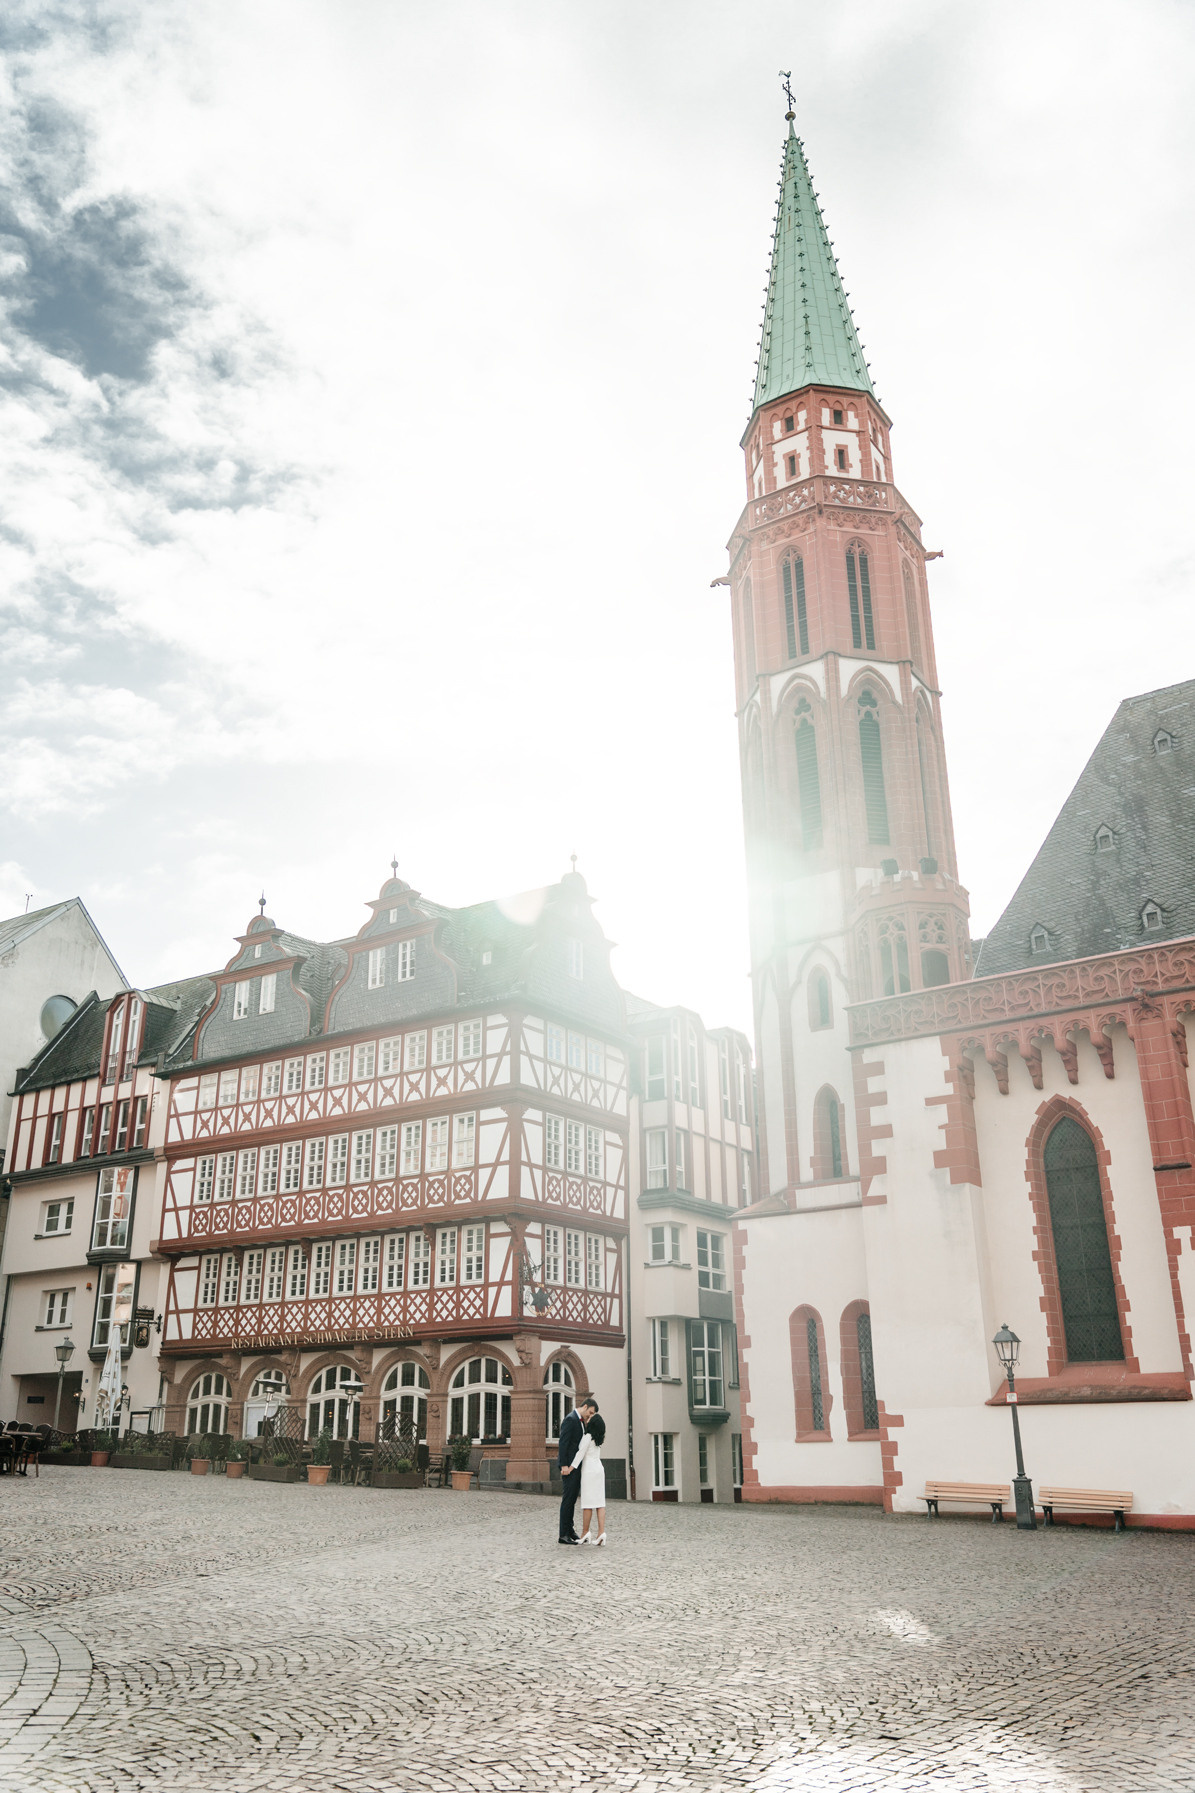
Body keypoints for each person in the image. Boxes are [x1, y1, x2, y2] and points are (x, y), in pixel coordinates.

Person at [557, 1396, 595, 1544]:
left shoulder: (580, 1421)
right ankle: (563, 1534)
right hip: (569, 1467)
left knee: (572, 1499)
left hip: (576, 1466)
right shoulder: (570, 1419)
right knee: (567, 1500)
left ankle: (570, 1530)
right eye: (590, 1412)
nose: (590, 1416)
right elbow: (563, 1444)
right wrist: (563, 1465)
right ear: (585, 1406)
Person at [570, 1405, 607, 1546]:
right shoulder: (598, 1439)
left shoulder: (587, 1437)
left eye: (591, 1418)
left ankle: (585, 1532)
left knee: (587, 1503)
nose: (588, 1419)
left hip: (589, 1471)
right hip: (599, 1469)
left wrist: (571, 1468)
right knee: (600, 1503)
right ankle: (601, 1532)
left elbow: (580, 1454)